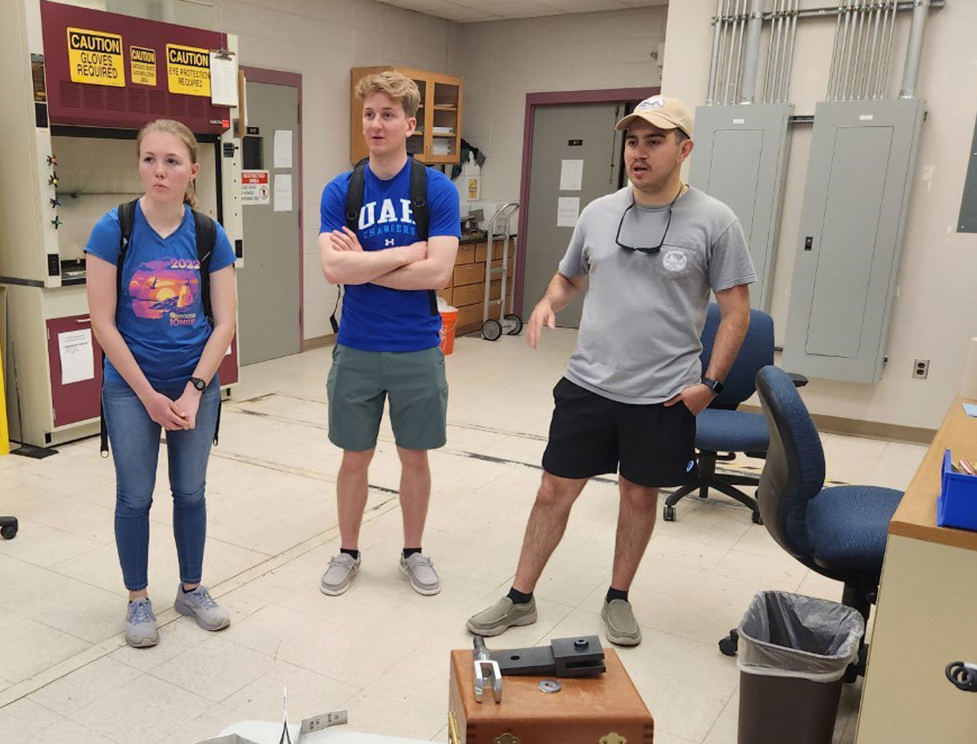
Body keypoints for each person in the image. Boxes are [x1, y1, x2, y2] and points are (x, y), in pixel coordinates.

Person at [465, 96, 756, 646]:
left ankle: (618, 597)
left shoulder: (716, 222)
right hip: (588, 384)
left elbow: (736, 311)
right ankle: (520, 596)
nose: (638, 153)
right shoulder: (599, 213)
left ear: (684, 149)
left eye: (654, 141)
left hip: (663, 396)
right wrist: (548, 301)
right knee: (554, 489)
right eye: (632, 141)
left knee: (638, 494)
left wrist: (709, 387)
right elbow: (569, 277)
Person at [85, 119, 237, 648]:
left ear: (193, 170)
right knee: (135, 496)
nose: (159, 170)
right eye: (149, 159)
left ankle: (191, 590)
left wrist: (194, 388)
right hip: (131, 388)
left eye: (171, 161)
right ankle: (137, 599)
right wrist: (148, 396)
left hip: (195, 384)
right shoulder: (114, 229)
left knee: (190, 492)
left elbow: (225, 322)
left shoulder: (207, 234)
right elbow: (102, 322)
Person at [316, 70, 461, 597]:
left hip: (416, 346)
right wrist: (403, 254)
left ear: (410, 124)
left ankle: (413, 552)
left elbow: (438, 273)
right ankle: (348, 551)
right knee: (354, 456)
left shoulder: (435, 190)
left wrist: (364, 262)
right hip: (356, 345)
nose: (376, 124)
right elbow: (333, 270)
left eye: (388, 115)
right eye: (369, 114)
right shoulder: (341, 190)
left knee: (413, 456)